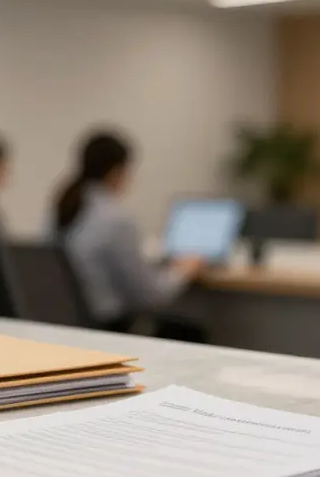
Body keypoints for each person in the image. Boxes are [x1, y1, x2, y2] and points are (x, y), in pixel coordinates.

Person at [54, 129, 207, 335]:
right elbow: (149, 296)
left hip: (67, 325)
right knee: (191, 332)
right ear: (117, 172)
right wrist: (182, 271)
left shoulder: (62, 208)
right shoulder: (117, 220)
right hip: (110, 327)